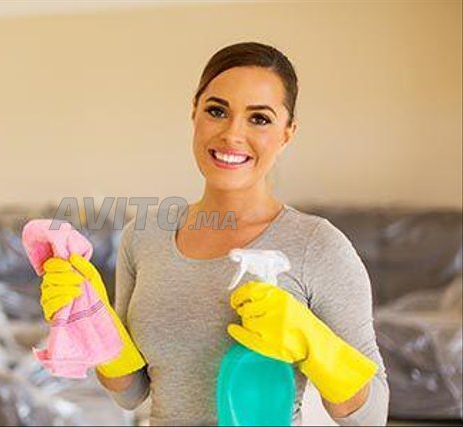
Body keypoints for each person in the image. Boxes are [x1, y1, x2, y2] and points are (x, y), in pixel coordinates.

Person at [39, 42, 389, 426]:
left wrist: (313, 344)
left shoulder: (317, 245)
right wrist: (92, 322)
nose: (232, 134)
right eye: (217, 111)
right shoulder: (144, 236)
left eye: (259, 119)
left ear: (287, 133)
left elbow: (373, 416)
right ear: (195, 113)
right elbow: (132, 393)